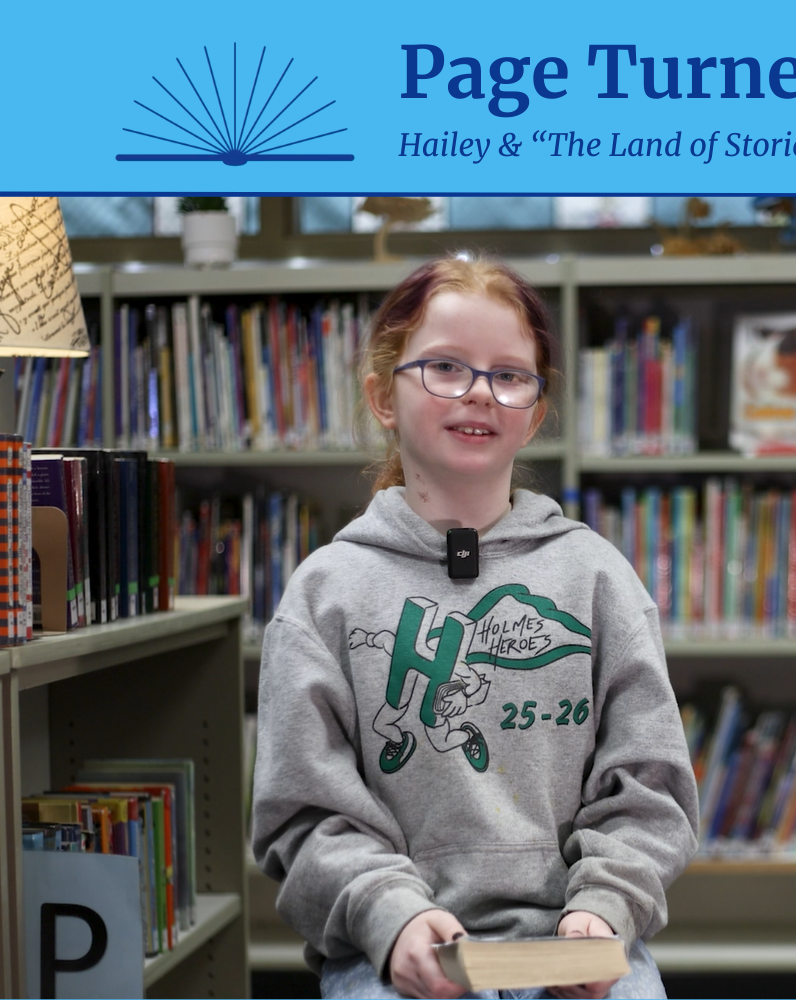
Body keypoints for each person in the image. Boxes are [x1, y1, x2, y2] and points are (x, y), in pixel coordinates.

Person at [252, 255, 699, 1000]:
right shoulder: (326, 592)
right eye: (445, 368)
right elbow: (303, 813)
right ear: (383, 397)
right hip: (391, 949)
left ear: (536, 413)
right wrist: (390, 916)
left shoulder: (597, 578)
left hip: (575, 939)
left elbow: (649, 788)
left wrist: (604, 909)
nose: (480, 392)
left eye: (510, 375)